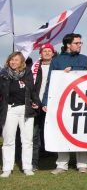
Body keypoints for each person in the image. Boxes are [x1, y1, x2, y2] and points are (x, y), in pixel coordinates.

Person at [44, 33, 87, 175]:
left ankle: (82, 164)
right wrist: (46, 101)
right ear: (68, 45)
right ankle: (61, 164)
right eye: (76, 43)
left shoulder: (85, 59)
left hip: (81, 101)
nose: (79, 45)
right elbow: (50, 82)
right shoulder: (57, 61)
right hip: (62, 101)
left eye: (80, 43)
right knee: (62, 131)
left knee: (81, 131)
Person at [0, 52, 41, 178]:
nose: (13, 62)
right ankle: (7, 168)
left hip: (26, 109)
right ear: (8, 61)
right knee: (8, 140)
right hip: (9, 110)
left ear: (21, 62)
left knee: (27, 140)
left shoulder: (27, 73)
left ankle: (27, 167)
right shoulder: (3, 74)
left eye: (16, 60)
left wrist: (36, 103)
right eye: (11, 60)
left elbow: (33, 91)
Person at [31, 43, 55, 171]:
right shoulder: (34, 67)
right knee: (35, 131)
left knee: (48, 128)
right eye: (44, 51)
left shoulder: (56, 66)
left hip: (50, 103)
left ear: (53, 53)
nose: (46, 53)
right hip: (36, 103)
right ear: (40, 53)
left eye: (49, 51)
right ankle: (36, 156)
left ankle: (48, 151)